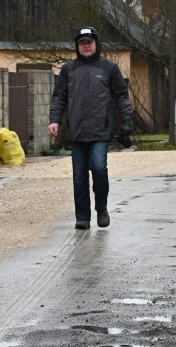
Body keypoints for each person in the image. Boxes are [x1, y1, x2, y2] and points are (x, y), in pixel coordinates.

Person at [48, 26, 134, 230]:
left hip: (101, 131)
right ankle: (83, 217)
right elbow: (59, 97)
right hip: (76, 131)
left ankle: (101, 207)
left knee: (98, 168)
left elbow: (122, 97)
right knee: (79, 176)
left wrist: (127, 122)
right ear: (78, 46)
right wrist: (54, 120)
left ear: (96, 44)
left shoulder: (109, 69)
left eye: (89, 42)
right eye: (82, 43)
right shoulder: (69, 69)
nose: (86, 46)